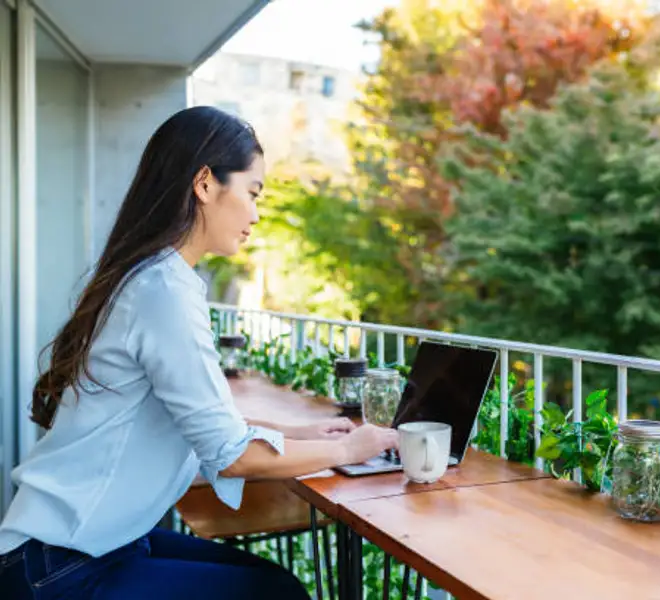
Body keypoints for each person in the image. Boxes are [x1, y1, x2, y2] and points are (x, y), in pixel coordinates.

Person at [0, 106, 398, 599]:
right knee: (276, 595)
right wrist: (346, 450)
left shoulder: (154, 277)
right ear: (205, 184)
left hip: (82, 546)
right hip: (61, 565)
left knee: (274, 585)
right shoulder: (163, 289)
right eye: (252, 193)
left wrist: (295, 432)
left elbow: (200, 426)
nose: (256, 213)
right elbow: (230, 456)